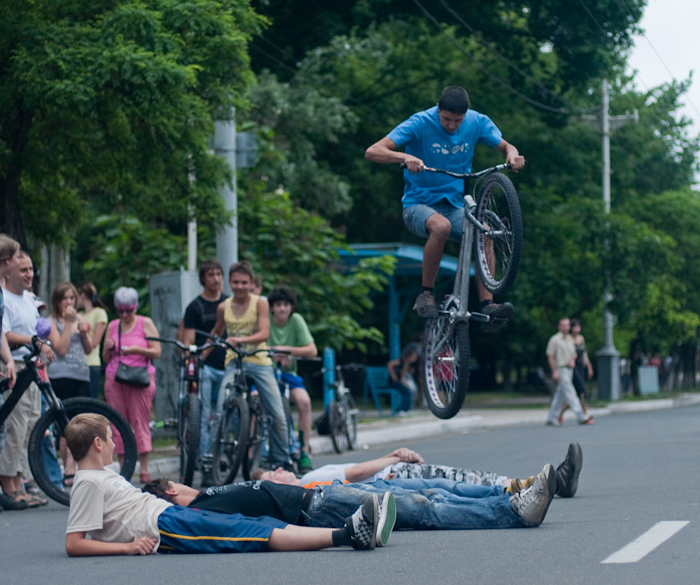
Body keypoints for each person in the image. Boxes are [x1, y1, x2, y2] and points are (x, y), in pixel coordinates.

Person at [64, 413, 393, 555]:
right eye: (109, 438)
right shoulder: (88, 482)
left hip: (167, 514)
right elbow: (75, 544)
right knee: (249, 533)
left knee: (259, 524)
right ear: (96, 443)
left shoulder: (103, 475)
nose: (112, 443)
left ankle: (350, 533)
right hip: (164, 526)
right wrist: (126, 547)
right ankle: (347, 537)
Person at [365, 86, 524, 329]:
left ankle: (487, 306)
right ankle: (426, 293)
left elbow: (507, 147)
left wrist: (513, 155)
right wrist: (403, 158)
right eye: (446, 120)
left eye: (457, 121)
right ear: (438, 110)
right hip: (418, 205)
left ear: (466, 115)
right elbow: (373, 151)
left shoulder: (476, 122)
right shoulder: (419, 122)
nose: (451, 126)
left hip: (453, 206)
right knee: (441, 227)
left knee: (486, 232)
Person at [145, 461, 557, 531]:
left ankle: (507, 504)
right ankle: (513, 512)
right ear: (170, 495)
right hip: (313, 510)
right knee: (421, 508)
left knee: (428, 495)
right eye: (174, 488)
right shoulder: (196, 511)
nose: (183, 487)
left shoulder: (206, 499)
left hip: (323, 495)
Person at [258, 443, 583, 500]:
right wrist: (395, 459)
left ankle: (546, 483)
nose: (279, 469)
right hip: (395, 478)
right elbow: (356, 472)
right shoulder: (306, 481)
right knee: (465, 481)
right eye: (272, 474)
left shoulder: (308, 478)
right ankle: (549, 484)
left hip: (394, 473)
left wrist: (395, 455)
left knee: (466, 480)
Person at [211, 261, 291, 470]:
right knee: (221, 408)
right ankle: (213, 457)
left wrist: (240, 340)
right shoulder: (223, 307)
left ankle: (281, 459)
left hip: (258, 360)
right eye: (235, 282)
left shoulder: (260, 303)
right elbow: (216, 333)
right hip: (234, 360)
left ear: (251, 283)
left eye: (244, 282)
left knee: (277, 412)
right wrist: (200, 353)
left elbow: (264, 333)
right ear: (229, 282)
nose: (239, 286)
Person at [0, 251, 54, 508]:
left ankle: (20, 483)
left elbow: (35, 331)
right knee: (15, 425)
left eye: (31, 269)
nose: (29, 274)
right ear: (8, 273)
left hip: (32, 365)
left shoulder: (30, 300)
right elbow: (6, 334)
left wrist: (40, 347)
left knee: (30, 426)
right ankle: (8, 485)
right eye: (23, 270)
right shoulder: (7, 299)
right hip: (15, 364)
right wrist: (32, 342)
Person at [102, 287, 161, 482]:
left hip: (140, 378)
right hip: (116, 378)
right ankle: (124, 468)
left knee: (140, 422)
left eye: (129, 310)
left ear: (135, 308)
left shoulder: (146, 323)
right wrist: (107, 348)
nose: (125, 314)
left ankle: (144, 469)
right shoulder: (113, 325)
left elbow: (157, 351)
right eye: (121, 310)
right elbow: (105, 358)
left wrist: (137, 349)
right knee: (118, 423)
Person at [181, 260, 229, 475]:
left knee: (225, 413)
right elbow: (189, 342)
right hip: (206, 366)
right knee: (205, 414)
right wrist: (193, 360)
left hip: (227, 364)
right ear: (203, 278)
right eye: (211, 274)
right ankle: (204, 458)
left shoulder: (229, 303)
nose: (216, 278)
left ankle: (220, 453)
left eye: (219, 274)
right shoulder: (194, 307)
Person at [46, 282, 93, 486]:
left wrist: (83, 333)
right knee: (65, 426)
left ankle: (73, 468)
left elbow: (89, 349)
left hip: (80, 375)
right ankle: (68, 469)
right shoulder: (50, 322)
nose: (69, 302)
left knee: (79, 424)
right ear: (57, 301)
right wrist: (67, 323)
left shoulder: (80, 319)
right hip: (60, 376)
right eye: (64, 298)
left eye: (72, 298)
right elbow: (61, 349)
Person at [267, 285, 317, 472]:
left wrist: (285, 351)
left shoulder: (296, 320)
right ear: (271, 307)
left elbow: (312, 350)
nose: (282, 308)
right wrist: (273, 356)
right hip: (267, 373)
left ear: (291, 307)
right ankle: (256, 452)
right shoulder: (265, 320)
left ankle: (303, 451)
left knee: (304, 402)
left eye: (286, 304)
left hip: (289, 375)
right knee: (256, 400)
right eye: (278, 304)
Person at [545, 318, 594, 426]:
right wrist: (554, 371)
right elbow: (550, 356)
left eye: (567, 325)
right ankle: (581, 416)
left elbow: (574, 354)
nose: (566, 327)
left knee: (559, 396)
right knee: (571, 393)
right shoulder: (555, 340)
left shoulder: (570, 340)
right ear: (559, 327)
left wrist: (572, 361)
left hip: (569, 369)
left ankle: (551, 417)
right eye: (563, 325)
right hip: (561, 369)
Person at [76, 283, 109, 399]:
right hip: (77, 363)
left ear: (83, 295)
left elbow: (95, 342)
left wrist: (84, 334)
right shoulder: (78, 315)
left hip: (91, 363)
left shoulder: (99, 313)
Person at [558, 318, 593, 423]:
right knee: (582, 391)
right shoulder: (569, 340)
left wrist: (589, 367)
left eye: (578, 326)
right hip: (573, 368)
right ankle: (584, 415)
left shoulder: (581, 338)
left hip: (581, 367)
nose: (577, 329)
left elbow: (585, 354)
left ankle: (560, 414)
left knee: (577, 394)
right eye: (575, 327)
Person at [386, 343, 421, 413]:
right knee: (407, 392)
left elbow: (403, 374)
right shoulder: (401, 360)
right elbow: (390, 364)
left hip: (398, 382)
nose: (415, 358)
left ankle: (407, 409)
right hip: (394, 382)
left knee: (410, 391)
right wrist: (393, 375)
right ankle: (401, 410)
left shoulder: (407, 363)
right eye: (414, 356)